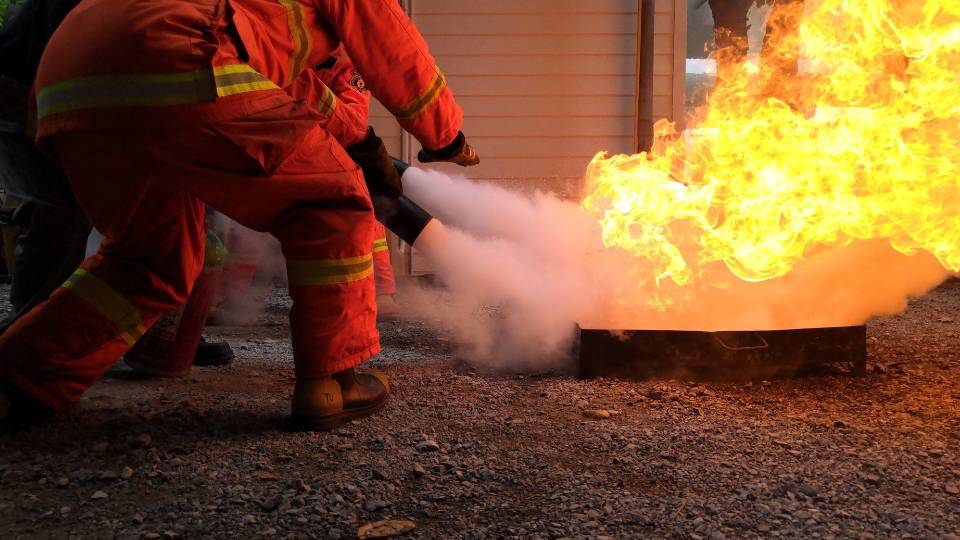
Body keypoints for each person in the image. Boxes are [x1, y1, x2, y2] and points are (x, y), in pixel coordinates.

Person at [0, 0, 478, 433]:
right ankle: (333, 381)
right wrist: (446, 136)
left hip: (68, 84)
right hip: (179, 55)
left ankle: (21, 379)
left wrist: (363, 142)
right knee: (331, 203)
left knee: (146, 260)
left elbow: (286, 80)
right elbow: (390, 42)